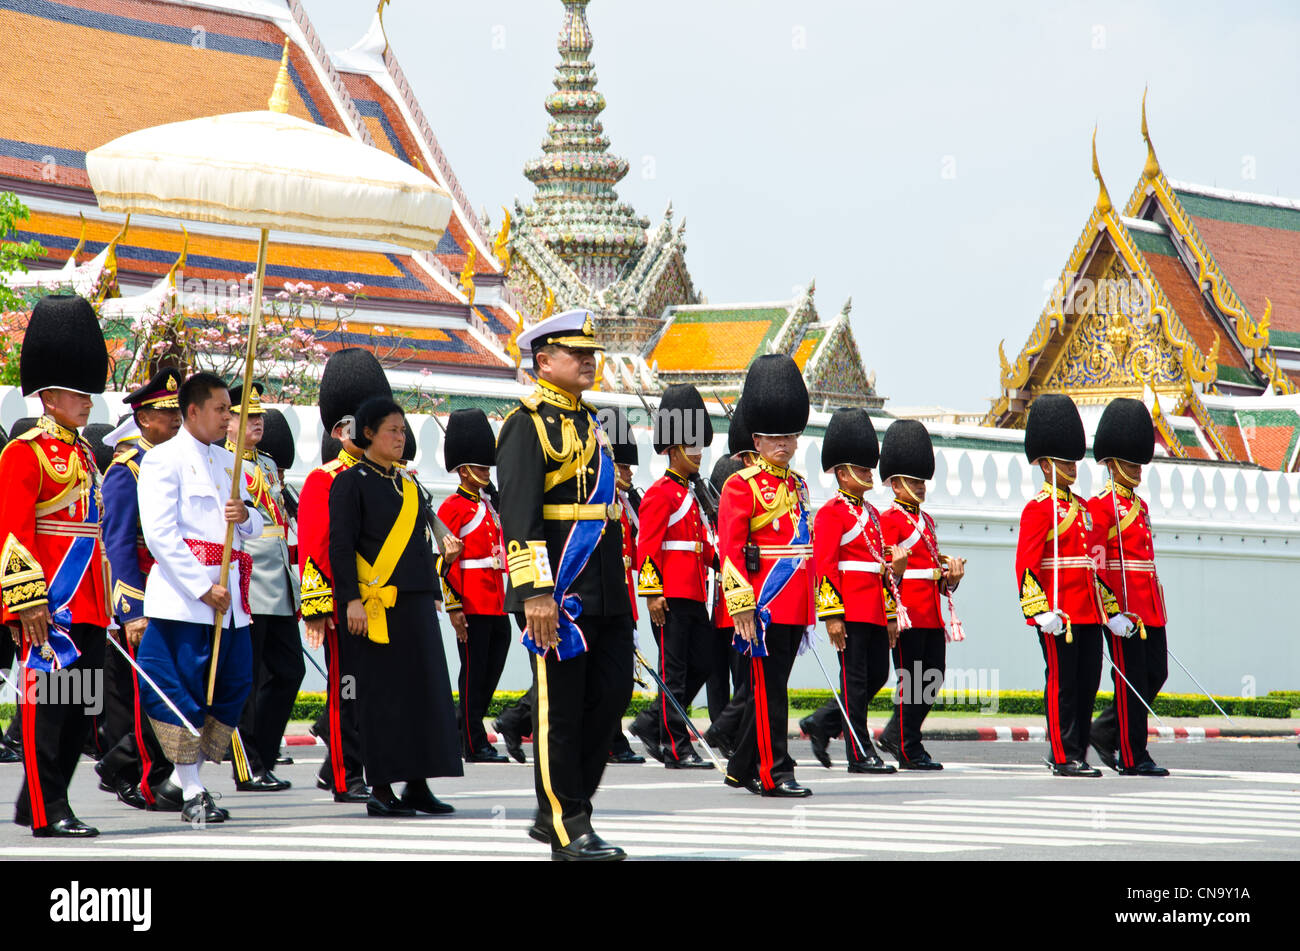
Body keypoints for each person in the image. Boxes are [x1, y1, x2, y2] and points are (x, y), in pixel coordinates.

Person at [496, 309, 634, 861]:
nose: (587, 360)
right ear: (543, 362)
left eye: (591, 352)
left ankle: (558, 809)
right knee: (560, 711)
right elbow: (520, 515)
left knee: (612, 696)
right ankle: (569, 823)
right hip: (558, 592)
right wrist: (535, 594)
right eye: (574, 353)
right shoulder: (524, 423)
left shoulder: (595, 423)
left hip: (604, 587)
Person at [0, 295, 111, 837]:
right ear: (48, 394)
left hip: (90, 600)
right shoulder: (25, 452)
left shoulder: (86, 454)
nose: (87, 401)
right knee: (49, 714)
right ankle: (50, 811)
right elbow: (13, 532)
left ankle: (36, 802)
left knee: (80, 710)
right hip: (52, 605)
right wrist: (27, 600)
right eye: (76, 391)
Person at [136, 371, 263, 822]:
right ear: (193, 411)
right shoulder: (162, 460)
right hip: (186, 600)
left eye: (229, 410)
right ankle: (192, 790)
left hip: (231, 603)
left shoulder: (232, 465)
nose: (228, 418)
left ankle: (180, 780)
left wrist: (244, 514)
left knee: (230, 689)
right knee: (183, 692)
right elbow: (159, 533)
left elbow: (256, 527)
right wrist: (201, 587)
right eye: (221, 409)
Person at [329, 397, 463, 816]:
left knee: (423, 695)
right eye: (392, 430)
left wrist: (440, 570)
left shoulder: (408, 484)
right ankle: (381, 788)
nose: (400, 438)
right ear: (368, 434)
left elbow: (420, 544)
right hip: (374, 606)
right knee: (383, 699)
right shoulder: (350, 483)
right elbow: (341, 547)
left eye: (403, 431)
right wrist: (350, 600)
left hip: (416, 603)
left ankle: (418, 784)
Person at [717, 354, 815, 798]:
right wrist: (740, 605)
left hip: (794, 602)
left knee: (771, 687)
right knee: (768, 691)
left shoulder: (798, 486)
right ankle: (775, 769)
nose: (783, 443)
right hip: (762, 605)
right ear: (756, 439)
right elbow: (731, 551)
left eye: (789, 435)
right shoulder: (742, 485)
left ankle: (740, 767)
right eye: (774, 436)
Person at [1015, 394, 1123, 778]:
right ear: (1044, 464)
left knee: (1087, 683)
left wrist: (1109, 610)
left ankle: (1076, 750)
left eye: (1072, 459)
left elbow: (1094, 567)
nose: (1070, 466)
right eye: (1062, 460)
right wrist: (1038, 610)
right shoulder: (1038, 509)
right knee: (1063, 686)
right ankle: (1063, 755)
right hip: (1059, 614)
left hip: (1088, 611)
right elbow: (1026, 566)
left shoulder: (1083, 509)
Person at [298, 348, 389, 804]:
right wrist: (317, 607)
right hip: (344, 603)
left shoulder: (392, 478)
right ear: (341, 429)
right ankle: (344, 774)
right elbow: (315, 548)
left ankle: (371, 766)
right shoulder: (325, 479)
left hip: (385, 605)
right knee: (347, 691)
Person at [96, 368, 185, 812]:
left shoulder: (173, 460)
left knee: (173, 686)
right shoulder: (127, 468)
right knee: (149, 691)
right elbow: (118, 542)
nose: (174, 420)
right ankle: (142, 772)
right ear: (144, 417)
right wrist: (131, 607)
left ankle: (120, 763)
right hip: (144, 594)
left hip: (175, 590)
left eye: (176, 412)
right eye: (166, 413)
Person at [801, 408, 904, 774]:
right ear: (843, 473)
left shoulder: (873, 516)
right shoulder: (831, 513)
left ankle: (823, 723)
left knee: (875, 675)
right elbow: (825, 566)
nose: (869, 474)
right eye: (862, 469)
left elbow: (882, 570)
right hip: (850, 611)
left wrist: (891, 614)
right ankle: (859, 752)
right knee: (856, 682)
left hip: (874, 608)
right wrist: (831, 615)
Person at [628, 384, 716, 769]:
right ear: (674, 448)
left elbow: (701, 546)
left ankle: (652, 723)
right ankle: (677, 746)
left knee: (706, 660)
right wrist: (652, 593)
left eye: (699, 445)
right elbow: (646, 547)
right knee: (675, 673)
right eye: (692, 445)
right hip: (669, 596)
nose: (698, 453)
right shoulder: (660, 493)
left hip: (694, 593)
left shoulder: (693, 494)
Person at [225, 382, 303, 791]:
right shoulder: (223, 463)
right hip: (247, 579)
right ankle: (248, 762)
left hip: (278, 580)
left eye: (259, 415)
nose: (258, 421)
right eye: (248, 416)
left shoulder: (268, 465)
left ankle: (265, 754)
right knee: (249, 678)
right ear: (229, 421)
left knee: (290, 670)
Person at [876, 420, 966, 770]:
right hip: (907, 611)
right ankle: (907, 743)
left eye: (921, 481)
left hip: (930, 611)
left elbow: (934, 575)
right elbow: (887, 570)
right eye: (913, 481)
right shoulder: (889, 519)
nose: (920, 487)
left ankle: (898, 735)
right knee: (910, 680)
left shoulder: (926, 522)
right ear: (896, 483)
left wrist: (951, 578)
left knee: (934, 675)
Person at [1087, 398, 1169, 777]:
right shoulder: (1101, 507)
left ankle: (1103, 732)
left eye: (1139, 462)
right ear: (1112, 461)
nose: (1137, 469)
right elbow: (1097, 564)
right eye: (1131, 461)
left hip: (1148, 604)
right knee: (1132, 682)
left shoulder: (1139, 504)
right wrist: (1111, 611)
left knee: (1156, 674)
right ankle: (1133, 754)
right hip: (1123, 608)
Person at [438, 408, 511, 763]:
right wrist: (454, 607)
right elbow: (441, 562)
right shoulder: (453, 507)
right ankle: (472, 739)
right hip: (471, 602)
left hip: (496, 600)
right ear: (464, 470)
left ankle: (463, 729)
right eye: (481, 468)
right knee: (473, 673)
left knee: (491, 669)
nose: (486, 473)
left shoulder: (489, 505)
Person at [606, 407, 645, 765]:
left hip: (624, 598)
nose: (629, 472)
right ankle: (612, 739)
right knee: (611, 678)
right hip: (604, 598)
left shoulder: (626, 505)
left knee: (619, 678)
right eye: (622, 466)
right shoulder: (601, 504)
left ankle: (613, 738)